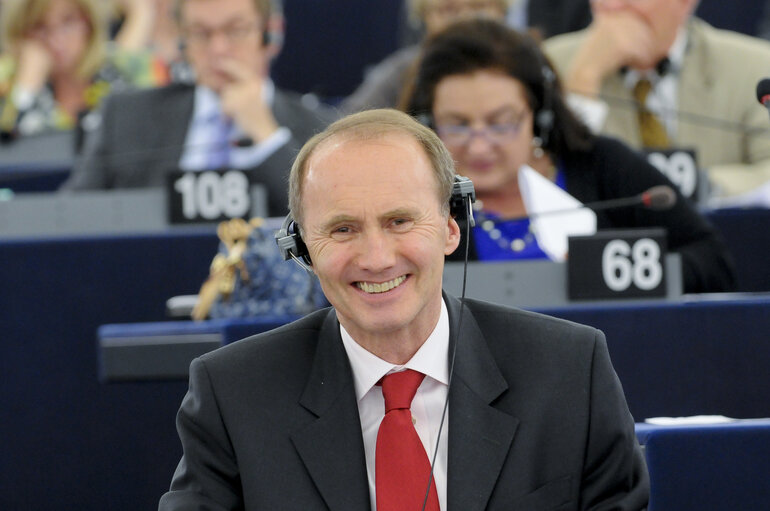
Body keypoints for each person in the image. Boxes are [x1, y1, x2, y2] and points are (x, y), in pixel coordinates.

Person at [159, 108, 649, 509]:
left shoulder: (568, 371)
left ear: (451, 228)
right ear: (303, 249)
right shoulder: (233, 394)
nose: (376, 258)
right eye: (343, 229)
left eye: (399, 221)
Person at [405, 18, 735, 293]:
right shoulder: (416, 195)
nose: (479, 146)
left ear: (540, 115)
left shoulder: (600, 164)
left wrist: (617, 276)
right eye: (458, 125)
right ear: (427, 123)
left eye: (501, 123)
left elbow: (712, 263)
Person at [61, 0, 336, 216]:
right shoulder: (125, 116)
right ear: (182, 41)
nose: (218, 49)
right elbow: (69, 215)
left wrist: (267, 138)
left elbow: (329, 221)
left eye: (235, 30)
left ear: (270, 34)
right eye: (200, 34)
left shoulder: (323, 130)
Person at [543, 0, 770, 197]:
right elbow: (545, 178)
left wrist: (698, 185)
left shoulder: (755, 66)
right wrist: (585, 78)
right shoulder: (550, 63)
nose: (611, 6)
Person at [0, 0, 164, 144]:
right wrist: (28, 88)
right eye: (40, 27)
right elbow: (10, 152)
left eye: (68, 22)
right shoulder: (8, 80)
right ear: (22, 33)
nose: (56, 40)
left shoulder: (123, 69)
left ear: (89, 22)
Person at [340, 0, 510, 113]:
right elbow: (349, 123)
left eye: (478, 7)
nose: (463, 20)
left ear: (502, 10)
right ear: (424, 16)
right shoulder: (403, 71)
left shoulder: (522, 63)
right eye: (449, 10)